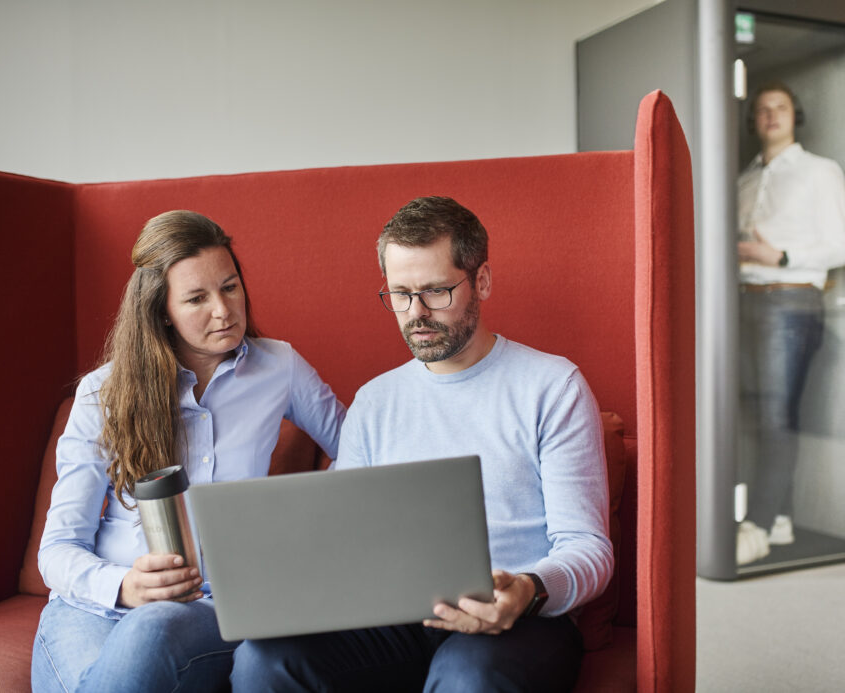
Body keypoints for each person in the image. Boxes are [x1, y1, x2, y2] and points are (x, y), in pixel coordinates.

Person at [231, 196, 613, 692]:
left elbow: (589, 548)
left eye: (436, 292)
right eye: (400, 294)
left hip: (522, 622)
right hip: (397, 619)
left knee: (467, 675)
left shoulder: (552, 386)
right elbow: (338, 536)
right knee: (265, 658)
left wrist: (527, 590)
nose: (417, 314)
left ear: (482, 281)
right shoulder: (375, 401)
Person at [31, 210, 346, 692]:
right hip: (93, 607)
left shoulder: (279, 367)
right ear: (162, 312)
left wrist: (300, 517)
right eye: (197, 298)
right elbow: (56, 550)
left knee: (151, 629)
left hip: (212, 609)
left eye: (231, 286)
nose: (224, 310)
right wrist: (123, 586)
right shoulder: (103, 393)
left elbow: (361, 450)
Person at [736, 82, 845, 565]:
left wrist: (779, 254)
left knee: (776, 415)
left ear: (795, 115)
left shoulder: (820, 172)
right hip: (744, 301)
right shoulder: (743, 179)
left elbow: (841, 247)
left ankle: (759, 525)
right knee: (755, 415)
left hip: (792, 302)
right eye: (762, 109)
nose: (770, 115)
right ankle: (779, 518)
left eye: (779, 106)